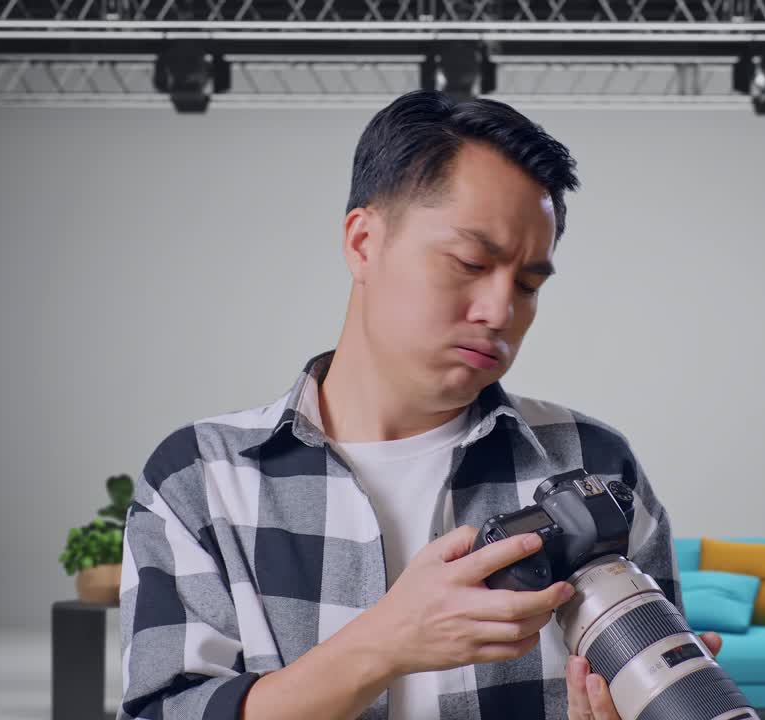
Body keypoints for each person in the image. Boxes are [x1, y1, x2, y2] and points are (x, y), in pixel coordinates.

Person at [117, 89, 721, 720]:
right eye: (470, 262)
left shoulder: (594, 466)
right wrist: (383, 645)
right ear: (363, 241)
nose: (500, 312)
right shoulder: (202, 478)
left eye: (528, 283)